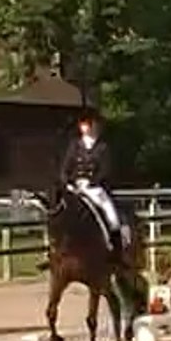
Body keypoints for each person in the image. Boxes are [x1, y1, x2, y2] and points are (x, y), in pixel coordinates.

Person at [60, 107, 131, 260]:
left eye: (89, 124)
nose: (87, 127)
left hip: (95, 189)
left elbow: (105, 170)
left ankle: (117, 250)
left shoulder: (102, 147)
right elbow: (65, 168)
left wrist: (91, 182)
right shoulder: (74, 145)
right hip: (75, 188)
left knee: (112, 216)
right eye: (84, 124)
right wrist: (68, 182)